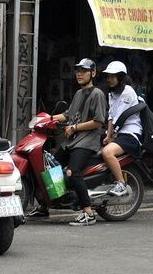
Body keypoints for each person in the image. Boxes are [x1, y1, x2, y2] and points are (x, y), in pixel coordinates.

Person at [45, 58, 107, 226]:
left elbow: (99, 121)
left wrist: (75, 128)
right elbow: (67, 115)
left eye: (83, 71)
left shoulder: (98, 94)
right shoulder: (79, 94)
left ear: (93, 73)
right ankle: (54, 203)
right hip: (72, 141)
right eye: (77, 71)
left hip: (87, 142)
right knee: (51, 167)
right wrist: (45, 119)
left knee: (73, 172)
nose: (79, 74)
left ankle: (88, 212)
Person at [101, 61, 140, 198]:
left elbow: (121, 117)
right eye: (108, 76)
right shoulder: (112, 94)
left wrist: (112, 135)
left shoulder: (128, 92)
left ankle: (121, 184)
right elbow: (111, 116)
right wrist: (108, 135)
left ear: (120, 77)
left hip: (131, 134)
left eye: (112, 76)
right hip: (119, 133)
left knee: (107, 152)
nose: (109, 80)